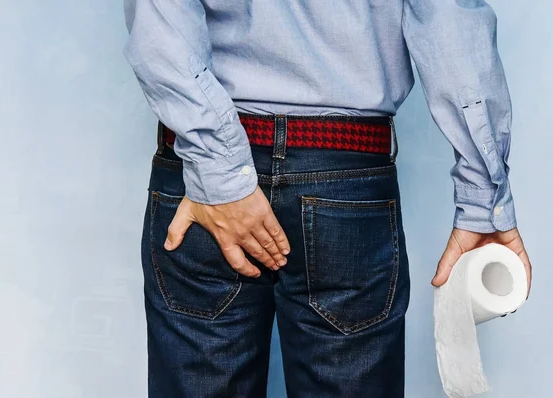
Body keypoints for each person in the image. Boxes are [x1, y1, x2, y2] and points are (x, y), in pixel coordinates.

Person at [122, 1, 532, 397]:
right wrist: (484, 198)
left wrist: (219, 170)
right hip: (345, 179)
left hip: (202, 183)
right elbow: (448, 19)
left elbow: (160, 20)